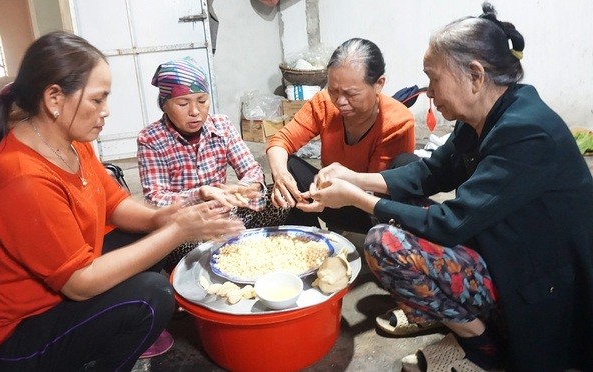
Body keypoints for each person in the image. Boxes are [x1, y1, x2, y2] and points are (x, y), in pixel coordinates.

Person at [296, 4, 593, 371]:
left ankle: (482, 344)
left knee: (384, 242)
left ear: (475, 75)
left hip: (536, 273)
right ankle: (450, 310)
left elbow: (450, 222)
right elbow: (428, 174)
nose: (429, 91)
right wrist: (352, 176)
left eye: (433, 78)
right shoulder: (479, 118)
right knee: (405, 172)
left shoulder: (525, 132)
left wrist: (357, 198)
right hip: (501, 237)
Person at [0, 31, 244, 371]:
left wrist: (164, 219)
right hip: (14, 339)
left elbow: (114, 204)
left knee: (150, 239)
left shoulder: (71, 141)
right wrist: (176, 231)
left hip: (53, 300)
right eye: (98, 100)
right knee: (152, 295)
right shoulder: (21, 177)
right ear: (54, 98)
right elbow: (80, 284)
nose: (106, 111)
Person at [137, 57, 288, 269]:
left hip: (228, 213)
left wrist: (244, 189)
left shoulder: (222, 126)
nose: (195, 111)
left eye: (202, 100)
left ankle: (267, 253)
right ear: (164, 104)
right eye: (183, 103)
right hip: (187, 228)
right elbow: (155, 200)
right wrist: (199, 194)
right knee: (186, 251)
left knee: (282, 198)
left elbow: (252, 170)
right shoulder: (151, 139)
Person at [266, 37, 416, 234]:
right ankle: (309, 242)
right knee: (289, 166)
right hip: (329, 196)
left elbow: (376, 189)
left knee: (405, 168)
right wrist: (281, 175)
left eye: (351, 94)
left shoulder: (397, 122)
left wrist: (329, 191)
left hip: (372, 210)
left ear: (379, 84)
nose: (340, 101)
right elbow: (280, 141)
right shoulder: (324, 103)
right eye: (333, 90)